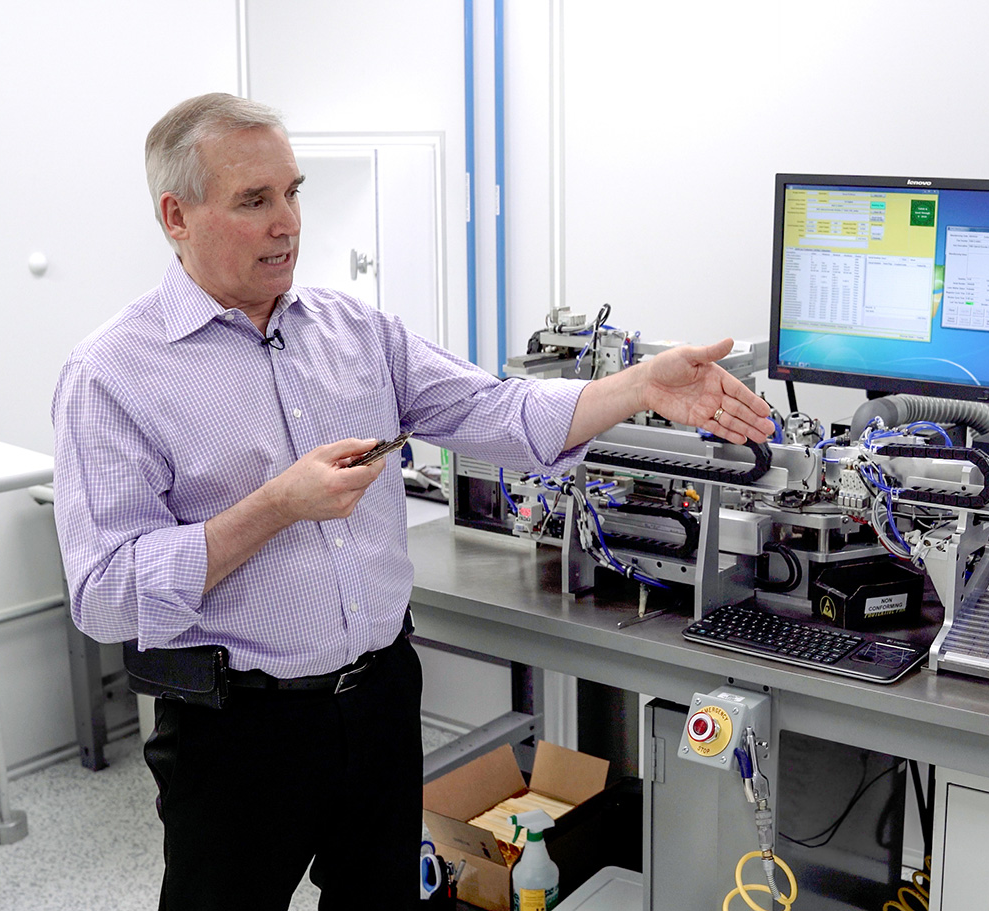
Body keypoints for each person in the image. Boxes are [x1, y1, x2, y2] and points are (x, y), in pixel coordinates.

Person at [51, 92, 772, 910]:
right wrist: (276, 505)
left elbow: (493, 411)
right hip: (238, 731)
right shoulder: (112, 375)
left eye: (293, 192)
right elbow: (105, 595)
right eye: (254, 201)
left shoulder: (354, 332)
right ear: (176, 216)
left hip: (381, 698)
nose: (287, 222)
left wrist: (637, 386)